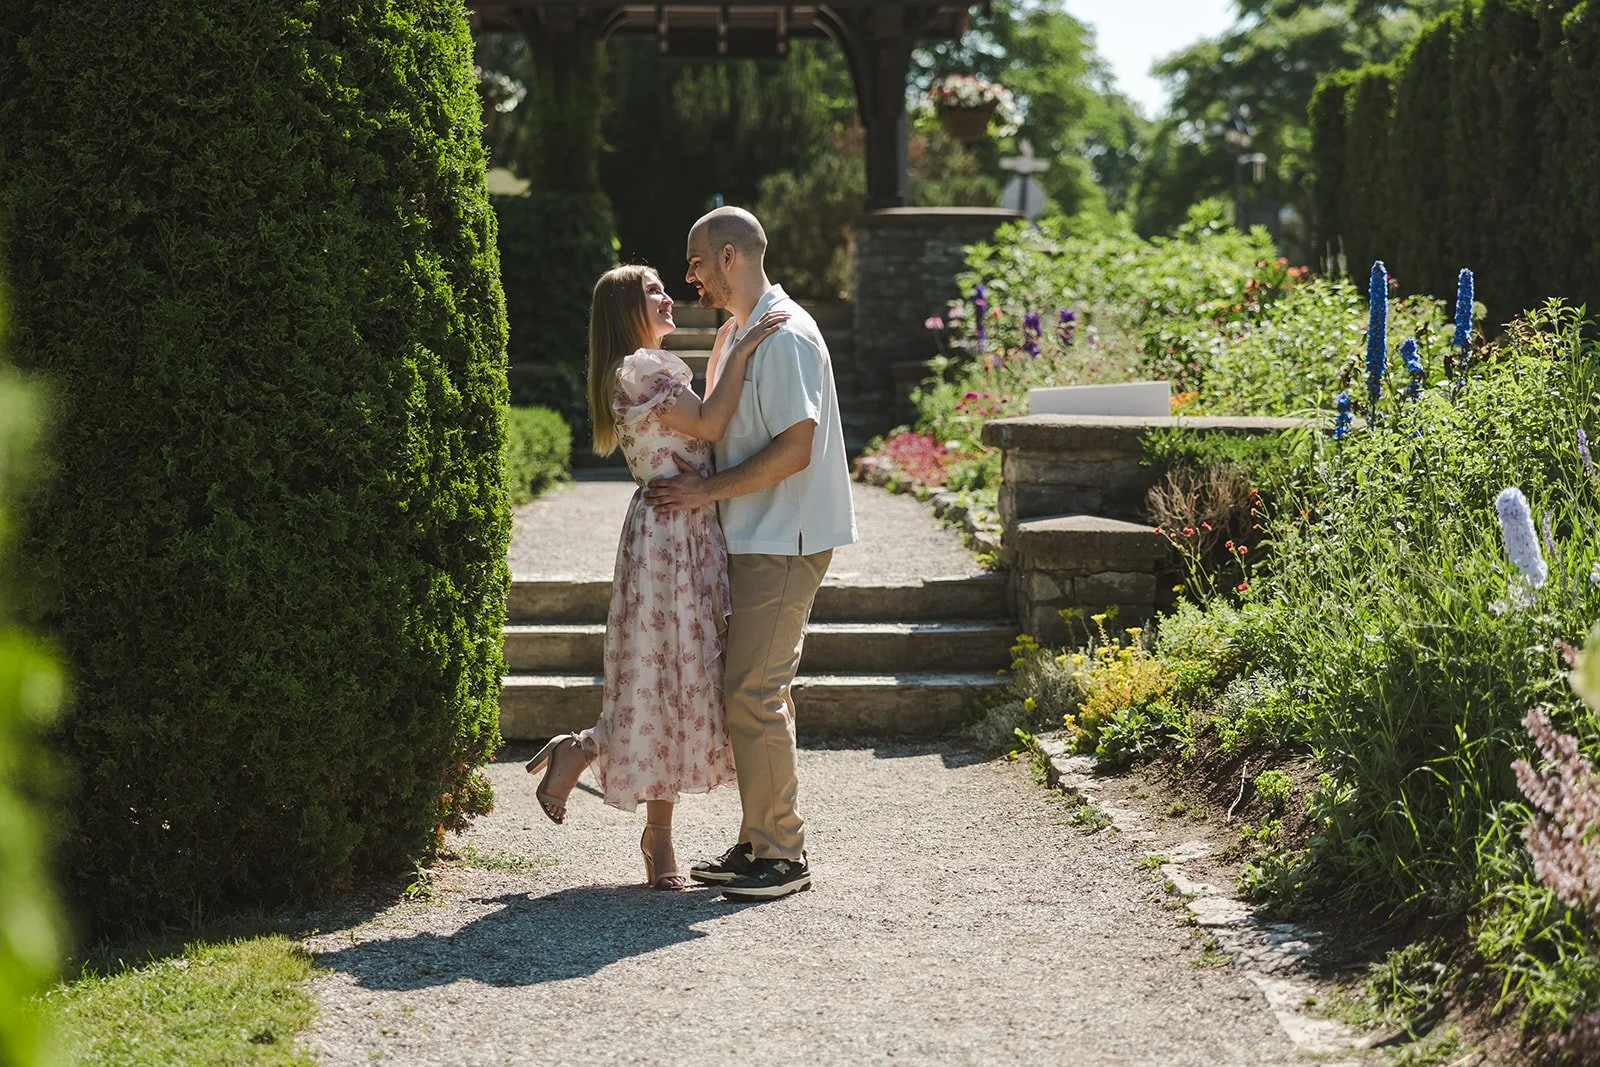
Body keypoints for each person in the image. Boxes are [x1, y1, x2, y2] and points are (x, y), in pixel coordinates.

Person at [524, 263, 788, 890]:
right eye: (653, 291)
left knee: (681, 679)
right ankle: (642, 817)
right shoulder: (647, 369)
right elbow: (710, 425)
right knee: (664, 677)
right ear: (625, 311)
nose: (669, 296)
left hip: (682, 531)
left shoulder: (645, 368)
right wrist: (747, 340)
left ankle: (595, 762)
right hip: (670, 537)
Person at [644, 207, 858, 901]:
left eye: (696, 261)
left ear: (730, 255)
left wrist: (705, 492)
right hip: (755, 535)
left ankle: (783, 854)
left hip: (784, 539)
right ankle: (758, 838)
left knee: (755, 692)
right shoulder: (740, 329)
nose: (689, 275)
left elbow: (796, 449)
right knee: (755, 692)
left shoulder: (786, 334)